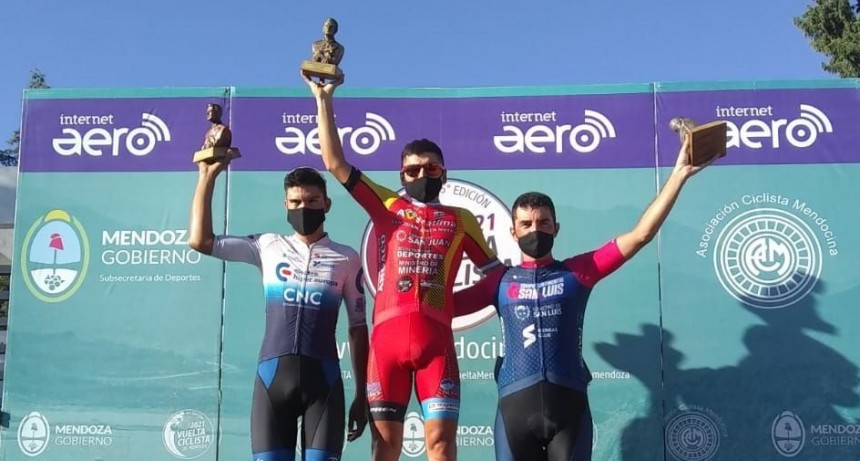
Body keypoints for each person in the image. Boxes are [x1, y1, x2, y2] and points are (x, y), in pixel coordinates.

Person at [454, 135, 711, 461]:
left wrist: (679, 174)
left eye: (543, 222)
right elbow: (440, 307)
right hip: (514, 409)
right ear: (513, 231)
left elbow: (640, 235)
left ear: (556, 228)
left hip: (569, 408)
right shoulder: (499, 281)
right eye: (527, 223)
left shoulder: (578, 272)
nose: (536, 229)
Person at [304, 75, 502, 461]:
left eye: (431, 169)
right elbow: (334, 162)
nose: (421, 176)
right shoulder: (387, 206)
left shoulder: (463, 219)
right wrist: (323, 99)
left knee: (441, 447)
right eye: (412, 171)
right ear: (401, 177)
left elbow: (496, 279)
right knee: (385, 447)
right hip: (387, 345)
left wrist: (449, 306)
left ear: (443, 172)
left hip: (437, 344)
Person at [189, 162, 369, 461]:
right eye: (296, 202)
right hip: (273, 382)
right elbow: (201, 241)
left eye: (312, 201)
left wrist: (362, 395)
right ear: (285, 205)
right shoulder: (267, 245)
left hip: (323, 384)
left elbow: (358, 329)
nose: (304, 208)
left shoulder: (346, 258)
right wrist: (206, 176)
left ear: (327, 204)